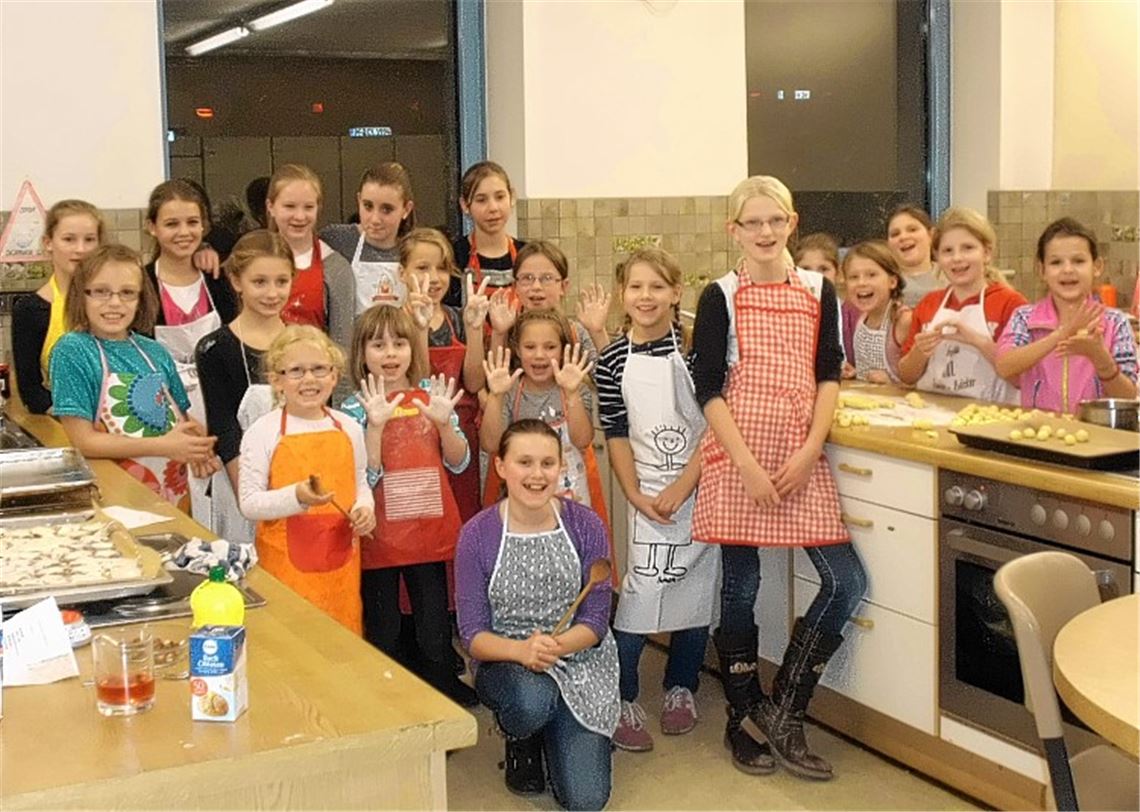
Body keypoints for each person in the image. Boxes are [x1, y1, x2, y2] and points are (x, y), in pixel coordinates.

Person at [690, 175, 867, 780]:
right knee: (740, 586)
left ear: (792, 222)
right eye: (751, 223)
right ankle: (741, 716)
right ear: (733, 230)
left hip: (799, 457)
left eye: (775, 221)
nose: (764, 233)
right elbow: (708, 386)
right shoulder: (720, 294)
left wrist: (812, 448)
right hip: (739, 456)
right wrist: (745, 464)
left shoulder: (820, 289)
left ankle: (785, 709)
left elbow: (828, 375)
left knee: (846, 581)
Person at [455, 419, 618, 810]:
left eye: (547, 463)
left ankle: (561, 730)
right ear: (501, 467)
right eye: (524, 462)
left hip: (579, 659)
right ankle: (522, 735)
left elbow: (595, 619)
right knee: (530, 701)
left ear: (561, 467)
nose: (536, 474)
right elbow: (472, 634)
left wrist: (553, 646)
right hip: (508, 661)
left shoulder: (585, 524)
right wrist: (523, 652)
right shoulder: (477, 535)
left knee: (587, 801)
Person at [595, 247, 719, 753]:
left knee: (695, 589)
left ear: (676, 292)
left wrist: (682, 485)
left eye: (657, 287)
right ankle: (623, 694)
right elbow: (617, 432)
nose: (646, 297)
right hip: (645, 492)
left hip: (700, 484)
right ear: (624, 295)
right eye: (636, 287)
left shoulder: (696, 351)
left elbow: (715, 425)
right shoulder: (610, 360)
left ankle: (681, 687)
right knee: (641, 593)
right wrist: (635, 494)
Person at [339, 306, 476, 706]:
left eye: (399, 343)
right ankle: (386, 700)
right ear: (360, 353)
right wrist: (374, 426)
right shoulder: (352, 409)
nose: (390, 353)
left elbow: (459, 461)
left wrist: (442, 422)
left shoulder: (430, 397)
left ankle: (440, 692)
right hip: (378, 537)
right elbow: (366, 477)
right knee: (383, 627)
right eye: (377, 344)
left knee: (433, 626)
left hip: (426, 535)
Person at [51, 245, 219, 511]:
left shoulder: (154, 351)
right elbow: (84, 441)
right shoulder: (73, 350)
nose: (115, 303)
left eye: (127, 293)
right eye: (101, 291)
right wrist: (164, 446)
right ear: (80, 295)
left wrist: (198, 446)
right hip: (112, 497)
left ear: (142, 298)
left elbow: (182, 419)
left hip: (173, 498)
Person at [238, 325, 375, 632]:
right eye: (296, 371)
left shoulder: (349, 427)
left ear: (334, 376)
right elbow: (249, 503)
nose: (309, 379)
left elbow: (361, 483)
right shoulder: (263, 432)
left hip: (341, 573)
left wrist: (366, 511)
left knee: (342, 646)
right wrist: (297, 497)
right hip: (284, 571)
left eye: (318, 369)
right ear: (276, 381)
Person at [195, 230, 293, 545]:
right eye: (259, 282)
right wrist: (255, 499)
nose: (272, 293)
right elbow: (224, 430)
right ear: (237, 281)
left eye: (282, 281)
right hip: (240, 486)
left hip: (297, 480)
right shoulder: (215, 348)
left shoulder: (305, 341)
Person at [480, 310, 609, 539]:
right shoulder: (509, 390)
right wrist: (496, 397)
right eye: (530, 347)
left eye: (550, 347)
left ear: (563, 350)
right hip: (523, 503)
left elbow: (582, 440)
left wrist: (571, 394)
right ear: (517, 350)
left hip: (572, 499)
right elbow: (491, 444)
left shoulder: (577, 388)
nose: (539, 355)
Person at [995, 217, 1138, 410]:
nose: (1067, 270)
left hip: (1099, 434)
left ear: (1097, 267)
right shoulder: (1024, 318)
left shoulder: (1115, 323)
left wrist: (1099, 356)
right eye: (1056, 262)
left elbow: (1128, 396)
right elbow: (1004, 366)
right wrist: (1061, 334)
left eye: (1078, 261)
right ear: (1042, 270)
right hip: (1039, 434)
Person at [397, 228, 489, 521]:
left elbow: (474, 382)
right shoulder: (392, 324)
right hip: (413, 437)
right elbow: (417, 381)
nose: (434, 278)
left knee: (462, 517)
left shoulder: (458, 317)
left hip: (460, 435)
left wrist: (474, 329)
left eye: (441, 268)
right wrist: (420, 330)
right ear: (402, 273)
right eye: (422, 268)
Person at [896, 207, 1027, 403]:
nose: (957, 258)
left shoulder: (1011, 304)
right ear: (937, 257)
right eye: (948, 251)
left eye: (968, 248)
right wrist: (919, 352)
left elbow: (1022, 379)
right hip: (933, 415)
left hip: (991, 419)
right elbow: (906, 376)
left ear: (987, 253)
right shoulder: (929, 304)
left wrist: (978, 341)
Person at [143, 180, 239, 424]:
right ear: (152, 227)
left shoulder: (217, 279)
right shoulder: (141, 285)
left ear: (204, 226)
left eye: (192, 223)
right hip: (159, 412)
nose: (184, 232)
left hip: (220, 407)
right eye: (171, 224)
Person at [12, 200, 103, 414]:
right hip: (66, 422)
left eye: (89, 240)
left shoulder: (118, 300)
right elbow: (32, 392)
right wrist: (78, 417)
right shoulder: (31, 310)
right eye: (69, 239)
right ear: (48, 243)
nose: (80, 249)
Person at [265, 164, 355, 364]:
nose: (299, 216)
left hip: (315, 383)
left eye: (308, 207)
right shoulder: (253, 261)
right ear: (270, 207)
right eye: (289, 206)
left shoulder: (335, 267)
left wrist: (342, 396)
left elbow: (342, 347)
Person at [487, 240, 612, 362]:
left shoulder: (577, 333)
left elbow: (612, 378)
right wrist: (499, 334)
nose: (536, 286)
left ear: (563, 286)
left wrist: (598, 332)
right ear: (516, 286)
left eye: (547, 278)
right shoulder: (506, 330)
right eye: (527, 278)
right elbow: (491, 378)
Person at [320, 162, 415, 316]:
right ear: (358, 201)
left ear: (406, 209)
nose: (375, 219)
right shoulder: (336, 240)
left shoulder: (416, 249)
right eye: (368, 206)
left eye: (387, 209)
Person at [444, 160, 525, 307]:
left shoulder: (527, 255)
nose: (493, 208)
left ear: (511, 197)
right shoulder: (453, 258)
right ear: (464, 205)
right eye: (481, 200)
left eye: (500, 197)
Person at [843, 240, 913, 384]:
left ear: (892, 282)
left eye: (872, 275)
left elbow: (923, 378)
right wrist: (854, 373)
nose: (861, 282)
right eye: (853, 277)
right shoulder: (861, 319)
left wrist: (893, 382)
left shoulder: (904, 320)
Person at [794, 232, 855, 372]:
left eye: (824, 269)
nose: (815, 276)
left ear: (838, 274)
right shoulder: (790, 311)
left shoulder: (850, 313)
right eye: (805, 269)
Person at [886, 205, 942, 308]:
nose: (903, 237)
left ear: (931, 235)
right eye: (895, 234)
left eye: (912, 229)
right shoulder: (883, 283)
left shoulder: (951, 274)